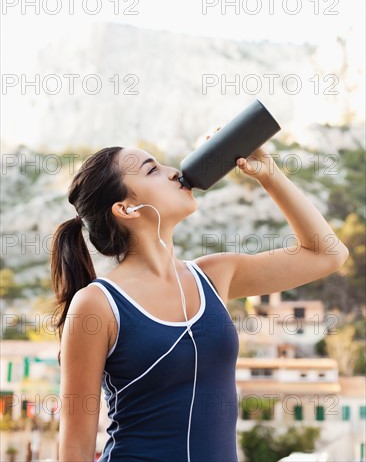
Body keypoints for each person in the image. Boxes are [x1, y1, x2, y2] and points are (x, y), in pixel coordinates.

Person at [51, 142, 349, 462]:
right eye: (153, 170)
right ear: (126, 209)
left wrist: (269, 174)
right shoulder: (97, 304)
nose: (175, 172)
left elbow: (327, 254)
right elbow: (75, 449)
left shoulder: (215, 275)